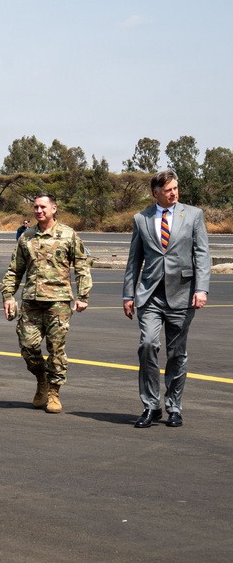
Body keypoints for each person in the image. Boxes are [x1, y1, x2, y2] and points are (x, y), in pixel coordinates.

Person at [123, 170, 210, 429]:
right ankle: (151, 406)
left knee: (177, 354)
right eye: (168, 190)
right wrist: (128, 294)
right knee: (148, 345)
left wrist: (201, 289)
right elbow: (134, 260)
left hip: (183, 293)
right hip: (150, 294)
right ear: (156, 193)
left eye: (175, 188)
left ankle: (174, 407)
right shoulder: (142, 219)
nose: (173, 193)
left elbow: (202, 254)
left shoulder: (194, 215)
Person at [1, 194, 92, 414]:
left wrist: (83, 296)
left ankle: (53, 392)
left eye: (43, 207)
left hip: (58, 302)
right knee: (28, 346)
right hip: (31, 302)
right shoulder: (26, 237)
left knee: (56, 349)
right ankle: (41, 377)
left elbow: (81, 265)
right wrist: (7, 295)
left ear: (53, 208)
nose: (38, 210)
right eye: (35, 207)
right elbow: (15, 270)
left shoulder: (68, 235)